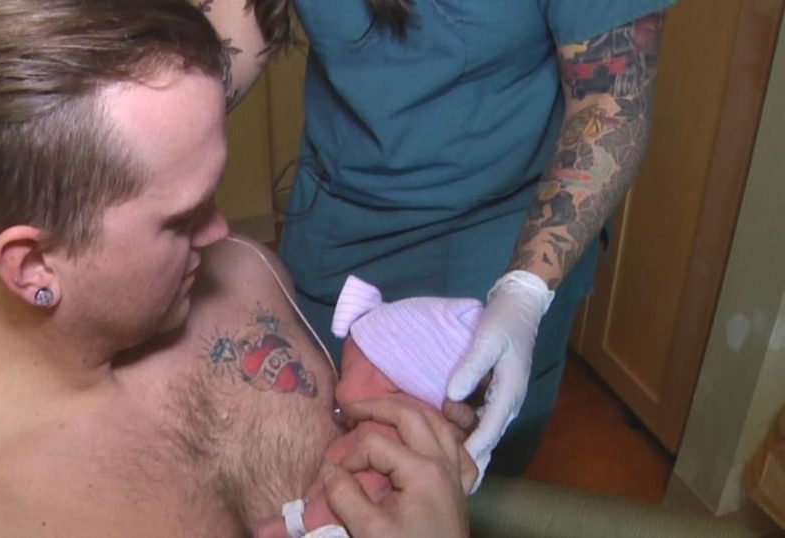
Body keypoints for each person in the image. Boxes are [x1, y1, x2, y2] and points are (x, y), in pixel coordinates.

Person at [0, 0, 470, 536]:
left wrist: (409, 429)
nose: (222, 233)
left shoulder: (245, 281)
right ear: (33, 266)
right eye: (181, 219)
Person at [201, 0, 675, 480]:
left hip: (502, 244)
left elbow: (612, 100)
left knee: (457, 480)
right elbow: (228, 37)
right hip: (337, 222)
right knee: (305, 459)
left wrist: (526, 290)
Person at [254, 274, 482, 537]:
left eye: (346, 369)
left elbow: (345, 503)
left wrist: (290, 524)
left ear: (389, 380)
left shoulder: (387, 439)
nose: (337, 382)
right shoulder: (424, 445)